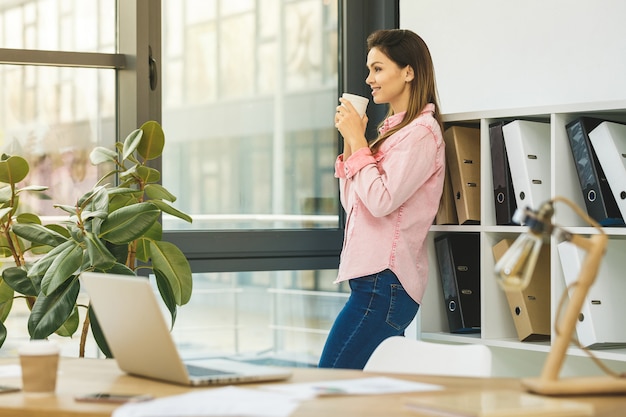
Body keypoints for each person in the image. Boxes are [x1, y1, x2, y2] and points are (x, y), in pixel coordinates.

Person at [318, 29, 446, 369]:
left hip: (384, 284)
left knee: (330, 382)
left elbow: (381, 201)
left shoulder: (421, 134)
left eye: (377, 69)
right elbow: (354, 204)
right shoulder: (392, 134)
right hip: (374, 284)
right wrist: (351, 143)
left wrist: (359, 140)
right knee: (373, 392)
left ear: (408, 72)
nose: (368, 78)